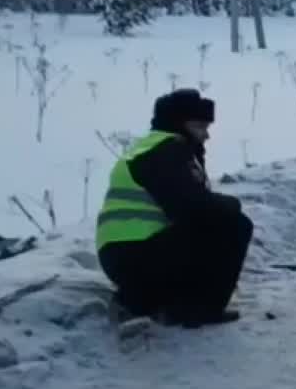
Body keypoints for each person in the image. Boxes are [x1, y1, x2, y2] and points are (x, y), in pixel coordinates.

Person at [96, 88, 253, 327]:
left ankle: (158, 299)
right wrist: (231, 204)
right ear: (180, 124)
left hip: (126, 255)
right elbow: (192, 208)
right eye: (200, 127)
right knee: (234, 225)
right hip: (135, 256)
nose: (206, 135)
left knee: (219, 221)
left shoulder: (156, 148)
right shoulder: (165, 151)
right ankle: (196, 309)